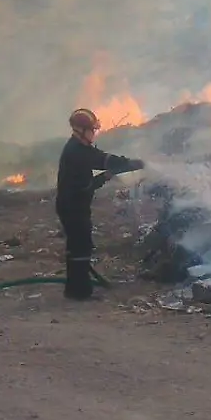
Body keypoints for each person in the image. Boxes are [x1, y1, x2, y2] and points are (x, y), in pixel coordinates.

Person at [56, 108, 145, 301]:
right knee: (81, 246)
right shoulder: (76, 152)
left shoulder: (79, 148)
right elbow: (97, 171)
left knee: (77, 247)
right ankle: (80, 292)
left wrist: (121, 167)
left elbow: (101, 161)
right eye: (91, 129)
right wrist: (117, 170)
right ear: (80, 130)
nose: (94, 133)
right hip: (73, 206)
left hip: (72, 204)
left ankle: (76, 289)